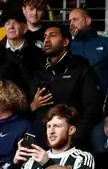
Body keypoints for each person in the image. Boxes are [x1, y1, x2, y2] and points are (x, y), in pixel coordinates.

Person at [33, 22, 99, 150]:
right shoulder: (38, 69)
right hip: (41, 143)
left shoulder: (81, 67)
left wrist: (73, 138)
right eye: (45, 37)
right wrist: (32, 106)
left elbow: (92, 108)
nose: (46, 40)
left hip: (71, 144)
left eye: (52, 35)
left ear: (65, 42)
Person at [10, 107, 93, 169]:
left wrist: (48, 165)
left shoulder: (82, 157)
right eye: (48, 126)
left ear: (71, 130)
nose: (51, 131)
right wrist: (15, 166)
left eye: (57, 126)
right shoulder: (34, 159)